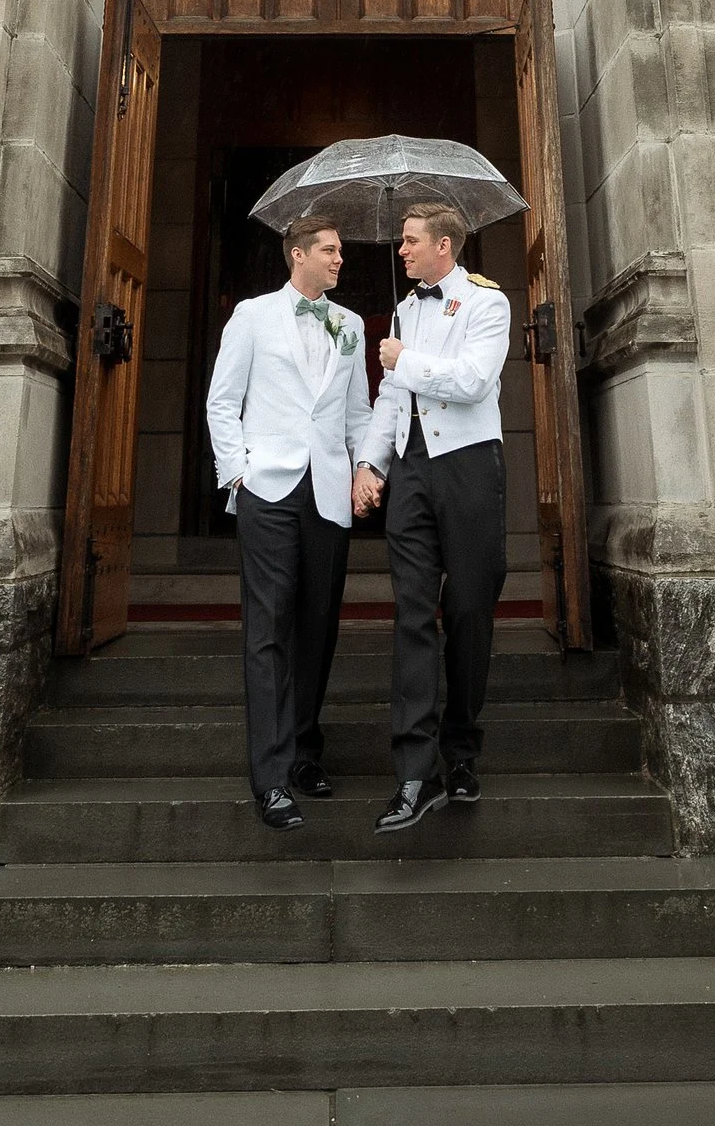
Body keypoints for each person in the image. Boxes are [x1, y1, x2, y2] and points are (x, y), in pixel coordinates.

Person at [205, 210, 376, 831]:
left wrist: (365, 467)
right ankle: (271, 776)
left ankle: (305, 751)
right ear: (297, 254)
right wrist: (239, 476)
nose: (339, 259)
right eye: (329, 250)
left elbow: (358, 410)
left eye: (340, 251)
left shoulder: (351, 325)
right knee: (268, 630)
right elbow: (222, 401)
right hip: (268, 489)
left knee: (318, 627)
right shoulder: (252, 316)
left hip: (329, 495)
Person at [354, 199, 511, 832]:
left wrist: (403, 360)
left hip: (470, 468)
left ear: (444, 245)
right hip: (413, 471)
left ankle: (462, 752)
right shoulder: (402, 311)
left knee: (470, 611)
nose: (403, 250)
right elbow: (390, 399)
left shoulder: (486, 302)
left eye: (412, 240)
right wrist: (371, 466)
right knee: (413, 614)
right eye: (403, 240)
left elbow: (473, 381)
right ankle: (414, 772)